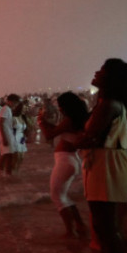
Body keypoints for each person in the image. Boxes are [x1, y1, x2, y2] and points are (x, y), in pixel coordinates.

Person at [74, 58, 127, 253]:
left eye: (102, 70)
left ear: (111, 79)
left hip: (106, 165)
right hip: (107, 163)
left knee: (106, 227)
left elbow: (90, 136)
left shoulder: (108, 105)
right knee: (105, 226)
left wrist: (66, 142)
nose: (96, 72)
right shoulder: (110, 103)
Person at [38, 92, 90, 238]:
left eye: (60, 106)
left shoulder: (69, 120)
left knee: (57, 196)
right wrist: (45, 122)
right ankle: (79, 225)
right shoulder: (77, 119)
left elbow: (49, 135)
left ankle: (70, 231)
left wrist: (40, 122)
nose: (59, 109)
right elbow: (58, 129)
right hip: (71, 159)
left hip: (65, 160)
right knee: (63, 195)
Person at [0, 95, 20, 175]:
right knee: (8, 155)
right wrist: (4, 138)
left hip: (7, 134)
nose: (16, 105)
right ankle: (7, 173)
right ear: (10, 101)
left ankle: (1, 172)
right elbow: (1, 123)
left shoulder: (8, 109)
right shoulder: (5, 109)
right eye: (15, 103)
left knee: (6, 154)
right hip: (6, 135)